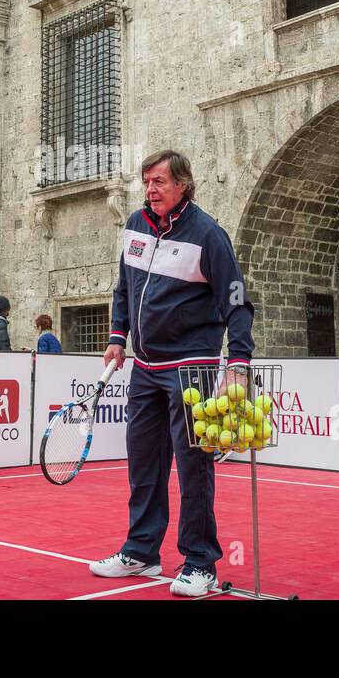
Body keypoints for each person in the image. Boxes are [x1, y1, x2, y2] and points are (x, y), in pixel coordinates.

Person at [90, 150, 255, 598]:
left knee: (193, 466)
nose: (150, 189)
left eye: (159, 181)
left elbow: (237, 300)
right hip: (144, 367)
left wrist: (238, 363)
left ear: (183, 183)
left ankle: (201, 562)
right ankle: (141, 550)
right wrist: (117, 335)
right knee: (144, 463)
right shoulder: (135, 225)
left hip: (191, 366)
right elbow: (123, 287)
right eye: (146, 181)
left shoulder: (209, 235)